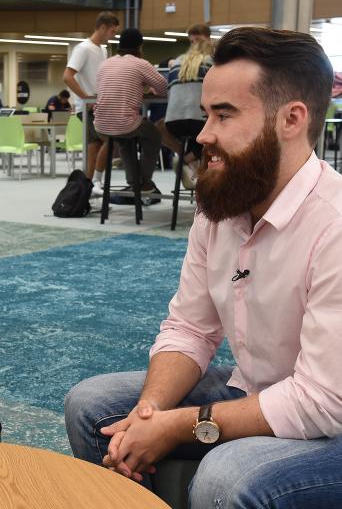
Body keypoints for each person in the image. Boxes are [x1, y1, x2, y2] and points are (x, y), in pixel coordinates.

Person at [65, 27, 341, 508]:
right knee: (92, 407)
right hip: (260, 386)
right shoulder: (225, 203)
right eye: (206, 113)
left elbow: (321, 401)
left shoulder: (334, 224)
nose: (204, 134)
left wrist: (179, 425)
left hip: (332, 415)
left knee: (227, 476)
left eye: (224, 115)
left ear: (291, 119)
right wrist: (151, 410)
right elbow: (190, 328)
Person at [93, 28, 166, 197]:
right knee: (154, 134)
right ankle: (145, 181)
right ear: (140, 46)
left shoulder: (105, 63)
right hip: (124, 123)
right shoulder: (141, 64)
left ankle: (134, 182)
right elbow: (163, 87)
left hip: (100, 124)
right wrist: (146, 87)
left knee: (125, 140)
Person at [63, 11, 119, 196]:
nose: (113, 36)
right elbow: (67, 76)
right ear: (102, 28)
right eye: (112, 31)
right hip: (87, 106)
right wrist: (86, 98)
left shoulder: (102, 50)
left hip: (100, 105)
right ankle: (95, 181)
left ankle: (88, 188)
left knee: (94, 146)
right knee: (110, 141)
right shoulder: (83, 48)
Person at [158, 38, 214, 188]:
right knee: (215, 127)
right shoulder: (210, 62)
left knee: (160, 126)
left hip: (173, 123)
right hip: (199, 121)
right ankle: (191, 162)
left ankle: (186, 159)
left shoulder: (176, 63)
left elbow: (168, 92)